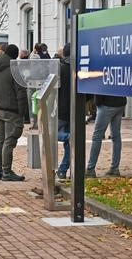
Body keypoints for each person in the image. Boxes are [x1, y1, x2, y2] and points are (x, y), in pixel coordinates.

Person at [0, 44, 28, 181]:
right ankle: (6, 172)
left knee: (0, 140)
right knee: (9, 140)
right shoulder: (14, 69)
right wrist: (22, 112)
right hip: (12, 109)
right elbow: (20, 92)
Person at [85, 94, 127, 177]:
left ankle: (90, 168)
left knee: (97, 137)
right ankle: (115, 168)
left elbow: (99, 87)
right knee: (116, 136)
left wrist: (97, 102)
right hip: (120, 102)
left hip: (106, 104)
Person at [56, 44, 71, 180]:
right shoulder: (79, 69)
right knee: (71, 145)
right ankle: (63, 169)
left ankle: (67, 136)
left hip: (60, 109)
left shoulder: (60, 69)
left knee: (50, 134)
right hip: (75, 111)